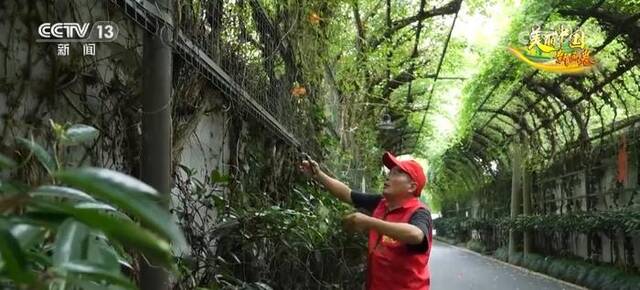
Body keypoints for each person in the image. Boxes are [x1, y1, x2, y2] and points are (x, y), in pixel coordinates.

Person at [299, 152, 433, 290]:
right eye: (390, 172)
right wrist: (318, 175)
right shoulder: (381, 203)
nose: (388, 176)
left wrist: (369, 222)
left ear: (411, 186)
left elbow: (416, 235)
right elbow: (347, 194)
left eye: (397, 173)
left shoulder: (419, 212)